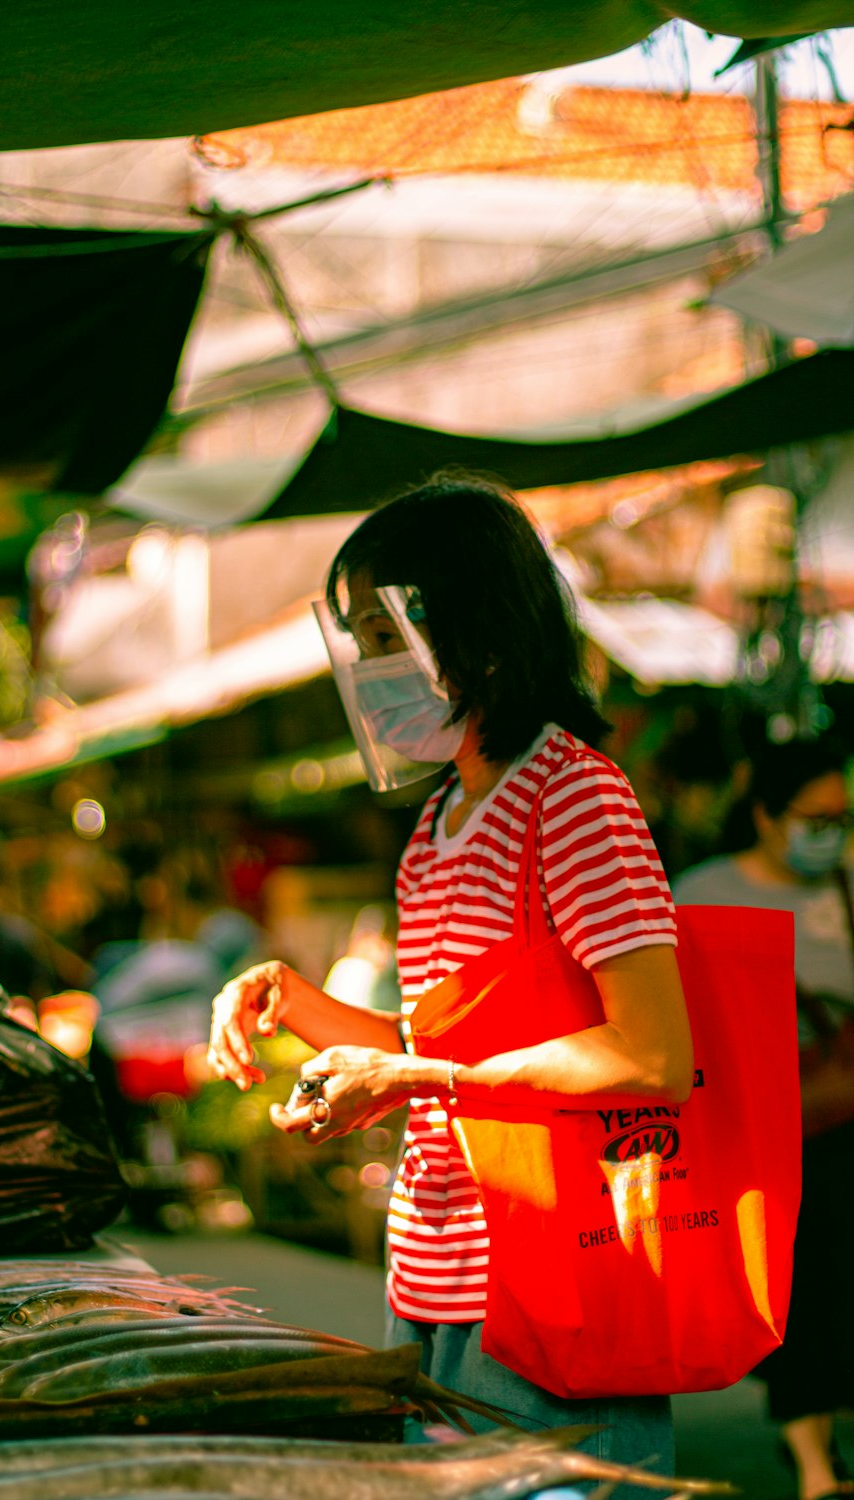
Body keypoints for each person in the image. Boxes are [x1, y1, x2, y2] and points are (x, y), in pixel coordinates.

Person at [209, 472, 693, 1487]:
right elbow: (445, 1048)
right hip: (430, 1285)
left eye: (383, 636)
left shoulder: (573, 794)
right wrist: (294, 1003)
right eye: (359, 640)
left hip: (556, 1286)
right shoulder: (435, 828)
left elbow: (651, 1053)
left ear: (474, 634)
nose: (366, 669)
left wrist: (418, 1080)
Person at [674, 735, 854, 1500]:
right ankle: (815, 1467)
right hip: (762, 1129)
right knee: (803, 1287)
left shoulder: (846, 884)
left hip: (844, 1114)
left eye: (841, 817)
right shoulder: (701, 891)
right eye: (814, 817)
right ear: (764, 815)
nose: (830, 832)